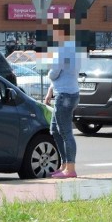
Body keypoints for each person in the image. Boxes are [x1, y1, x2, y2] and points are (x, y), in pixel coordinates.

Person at [44, 15, 81, 179]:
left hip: (64, 95)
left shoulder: (61, 49)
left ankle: (70, 168)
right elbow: (68, 73)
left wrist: (49, 74)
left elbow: (54, 73)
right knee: (55, 130)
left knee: (65, 132)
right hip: (70, 92)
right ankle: (64, 165)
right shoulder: (74, 48)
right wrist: (50, 92)